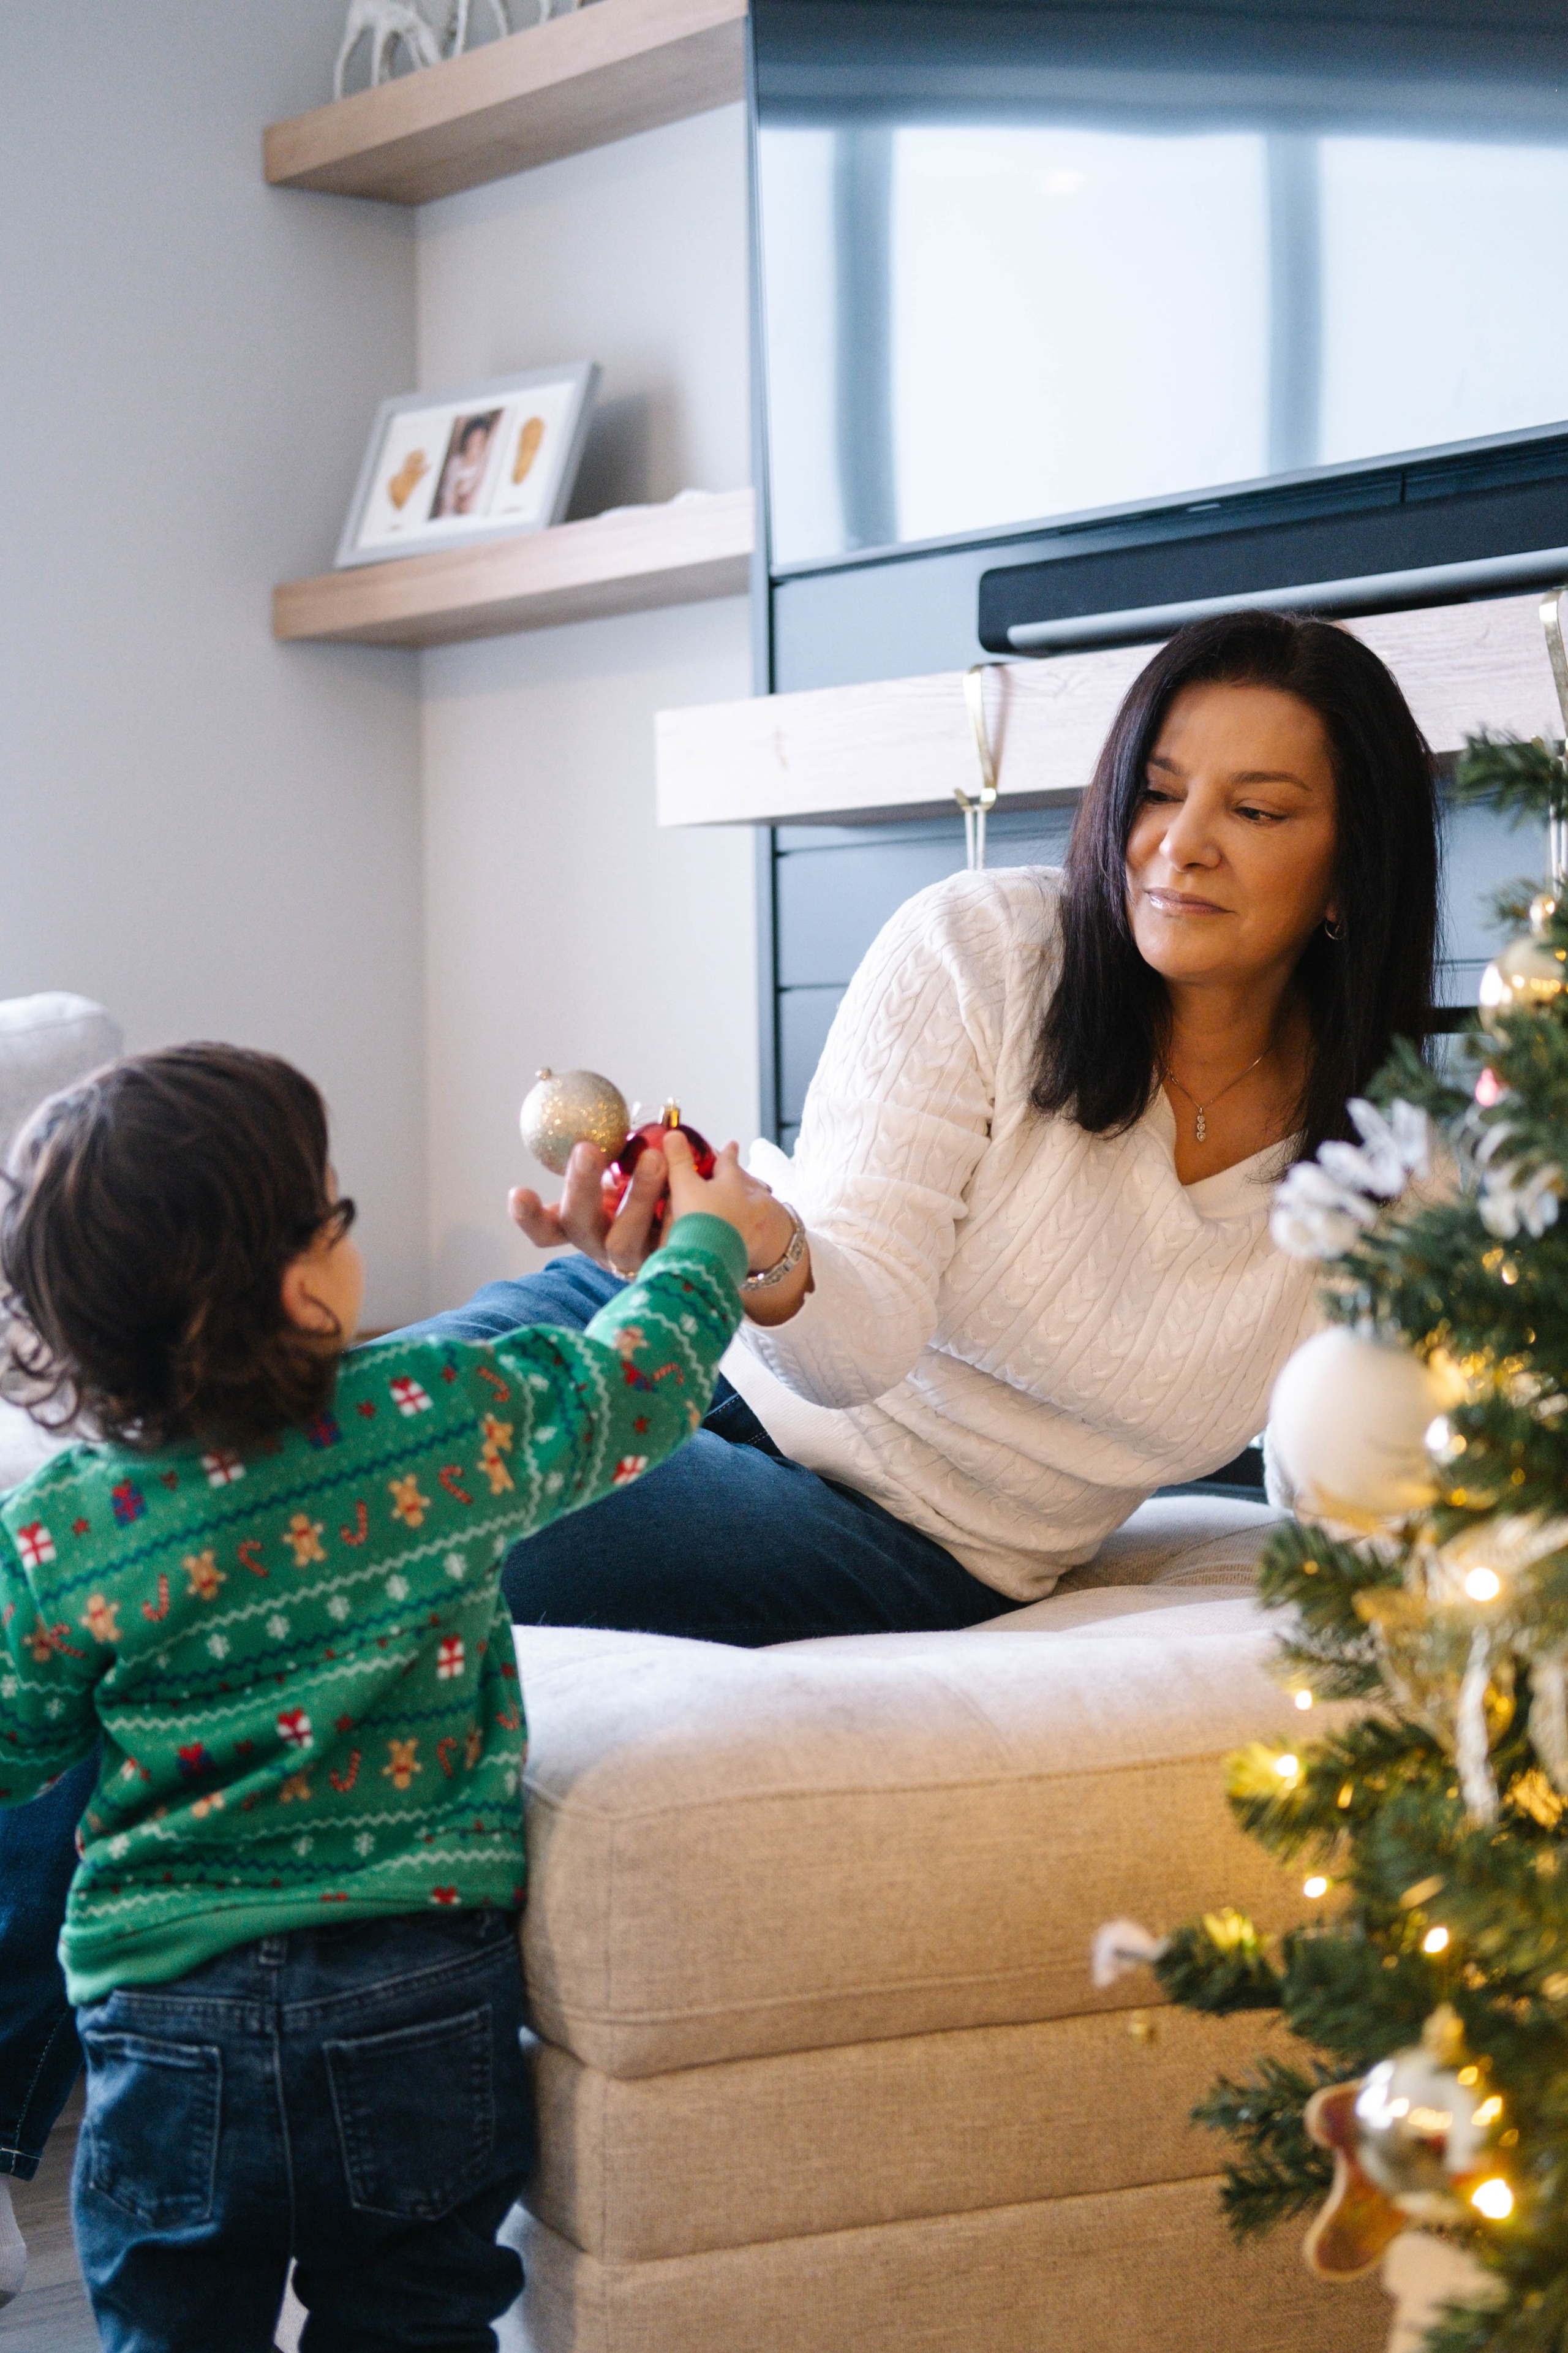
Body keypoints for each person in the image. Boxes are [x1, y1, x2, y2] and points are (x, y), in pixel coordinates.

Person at [0, 608, 1443, 2211]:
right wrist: (733, 1252)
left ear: (1351, 859)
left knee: (280, 1540)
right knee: (177, 1504)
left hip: (884, 1524)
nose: (1178, 847)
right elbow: (859, 1314)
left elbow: (1374, 1446)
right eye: (1156, 790)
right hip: (690, 1332)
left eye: (1256, 810)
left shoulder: (1389, 1162)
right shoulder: (986, 950)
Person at [0, 1043, 764, 2351]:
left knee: (172, 2325)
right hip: (419, 1993)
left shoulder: (61, 1535)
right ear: (304, 1283)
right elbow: (629, 1388)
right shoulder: (441, 1416)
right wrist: (703, 1248)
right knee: (414, 2316)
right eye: (338, 1212)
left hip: (169, 2014)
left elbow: (15, 1753)